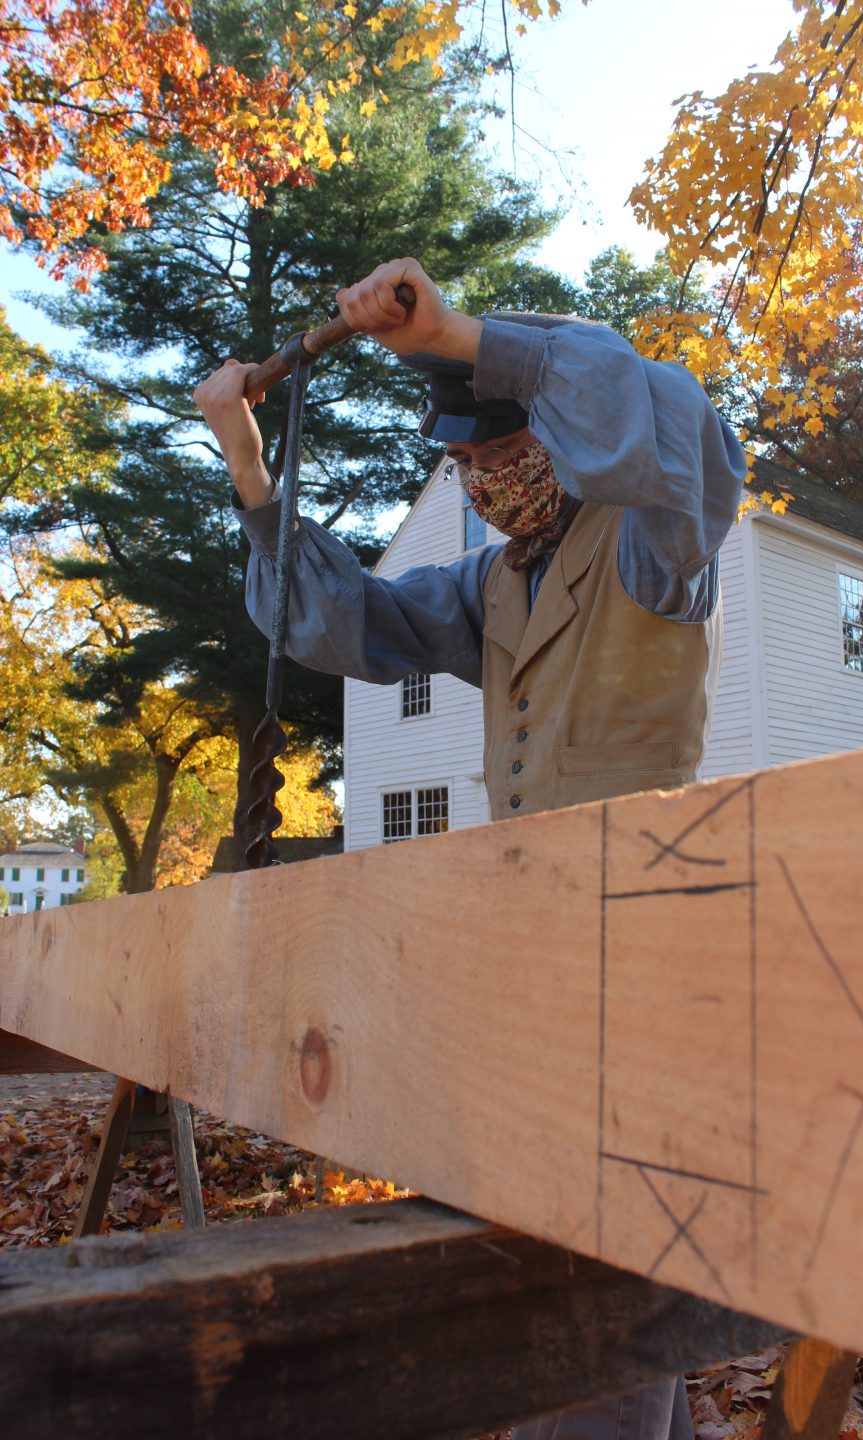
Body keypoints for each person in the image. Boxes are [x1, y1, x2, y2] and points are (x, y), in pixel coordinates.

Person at [194, 256, 747, 1440]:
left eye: (502, 460)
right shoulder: (491, 586)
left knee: (605, 1250)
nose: (488, 488)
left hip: (639, 941)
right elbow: (339, 621)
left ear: (554, 441)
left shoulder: (652, 543)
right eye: (467, 473)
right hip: (528, 948)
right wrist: (249, 461)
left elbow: (677, 423)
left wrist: (457, 334)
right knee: (542, 1233)